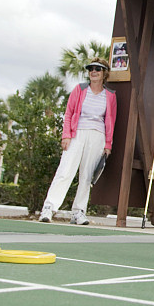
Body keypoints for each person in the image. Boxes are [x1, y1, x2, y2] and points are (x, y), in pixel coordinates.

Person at [39, 58, 117, 225]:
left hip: (98, 136)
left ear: (104, 73)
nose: (93, 71)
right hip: (77, 134)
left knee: (87, 176)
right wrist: (66, 135)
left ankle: (78, 212)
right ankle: (49, 208)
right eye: (91, 69)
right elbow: (69, 113)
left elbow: (111, 121)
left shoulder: (110, 96)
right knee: (65, 170)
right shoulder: (80, 89)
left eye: (97, 69)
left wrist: (107, 144)